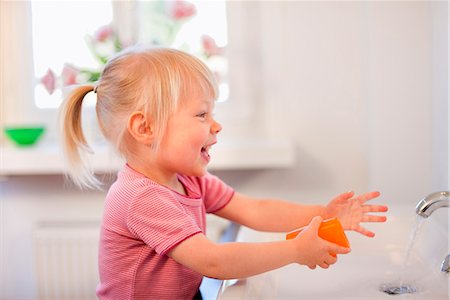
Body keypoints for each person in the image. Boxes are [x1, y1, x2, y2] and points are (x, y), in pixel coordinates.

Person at [59, 46, 388, 300]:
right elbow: (213, 262)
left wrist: (322, 213)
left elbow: (255, 210)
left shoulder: (189, 179)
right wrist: (296, 251)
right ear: (145, 128)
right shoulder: (141, 197)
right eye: (202, 114)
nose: (216, 125)